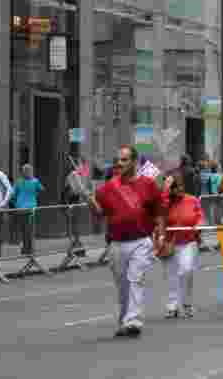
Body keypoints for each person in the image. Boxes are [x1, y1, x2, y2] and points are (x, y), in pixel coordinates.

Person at [88, 145, 166, 338]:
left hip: (141, 241)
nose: (119, 163)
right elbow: (98, 214)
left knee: (135, 279)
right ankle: (125, 320)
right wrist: (89, 199)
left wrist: (161, 235)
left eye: (124, 160)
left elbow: (158, 213)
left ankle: (133, 321)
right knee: (123, 285)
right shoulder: (108, 188)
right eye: (118, 160)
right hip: (116, 244)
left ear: (134, 162)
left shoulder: (148, 184)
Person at [159, 171, 204, 319]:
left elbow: (200, 217)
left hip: (188, 242)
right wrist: (164, 192)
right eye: (174, 187)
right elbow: (160, 213)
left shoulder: (192, 200)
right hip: (170, 242)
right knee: (171, 275)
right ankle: (172, 306)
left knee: (186, 270)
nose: (178, 190)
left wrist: (198, 225)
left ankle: (187, 303)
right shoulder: (165, 202)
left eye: (180, 186)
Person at [11, 163, 44, 255]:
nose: (28, 172)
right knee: (29, 229)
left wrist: (15, 203)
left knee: (25, 229)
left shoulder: (19, 182)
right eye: (27, 171)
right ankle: (28, 248)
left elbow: (13, 195)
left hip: (22, 208)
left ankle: (26, 248)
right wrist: (34, 195)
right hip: (30, 207)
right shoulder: (35, 181)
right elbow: (41, 190)